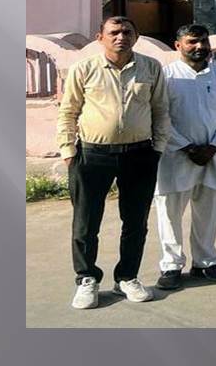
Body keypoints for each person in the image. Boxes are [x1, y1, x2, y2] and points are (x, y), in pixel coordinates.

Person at [56, 16, 171, 309]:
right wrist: (68, 151)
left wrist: (157, 148)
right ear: (100, 37)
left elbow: (160, 109)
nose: (121, 37)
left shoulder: (150, 67)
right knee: (86, 222)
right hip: (92, 155)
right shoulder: (85, 68)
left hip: (140, 155)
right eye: (114, 32)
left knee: (135, 221)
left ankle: (127, 277)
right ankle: (86, 278)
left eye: (127, 32)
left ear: (136, 36)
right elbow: (68, 111)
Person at [154, 24, 216, 290]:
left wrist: (213, 147)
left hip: (214, 155)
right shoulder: (166, 76)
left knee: (209, 212)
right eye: (192, 41)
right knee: (170, 213)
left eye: (203, 41)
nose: (200, 46)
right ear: (178, 45)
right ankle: (171, 265)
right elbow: (160, 116)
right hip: (176, 156)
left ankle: (205, 262)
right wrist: (187, 147)